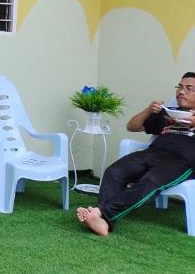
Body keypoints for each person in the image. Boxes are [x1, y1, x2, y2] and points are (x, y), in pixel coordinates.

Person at [77, 72, 195, 236]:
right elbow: (132, 126)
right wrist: (148, 111)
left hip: (182, 162)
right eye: (180, 87)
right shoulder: (168, 113)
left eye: (189, 89)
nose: (181, 92)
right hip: (153, 153)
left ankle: (102, 213)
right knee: (114, 172)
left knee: (150, 180)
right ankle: (103, 221)